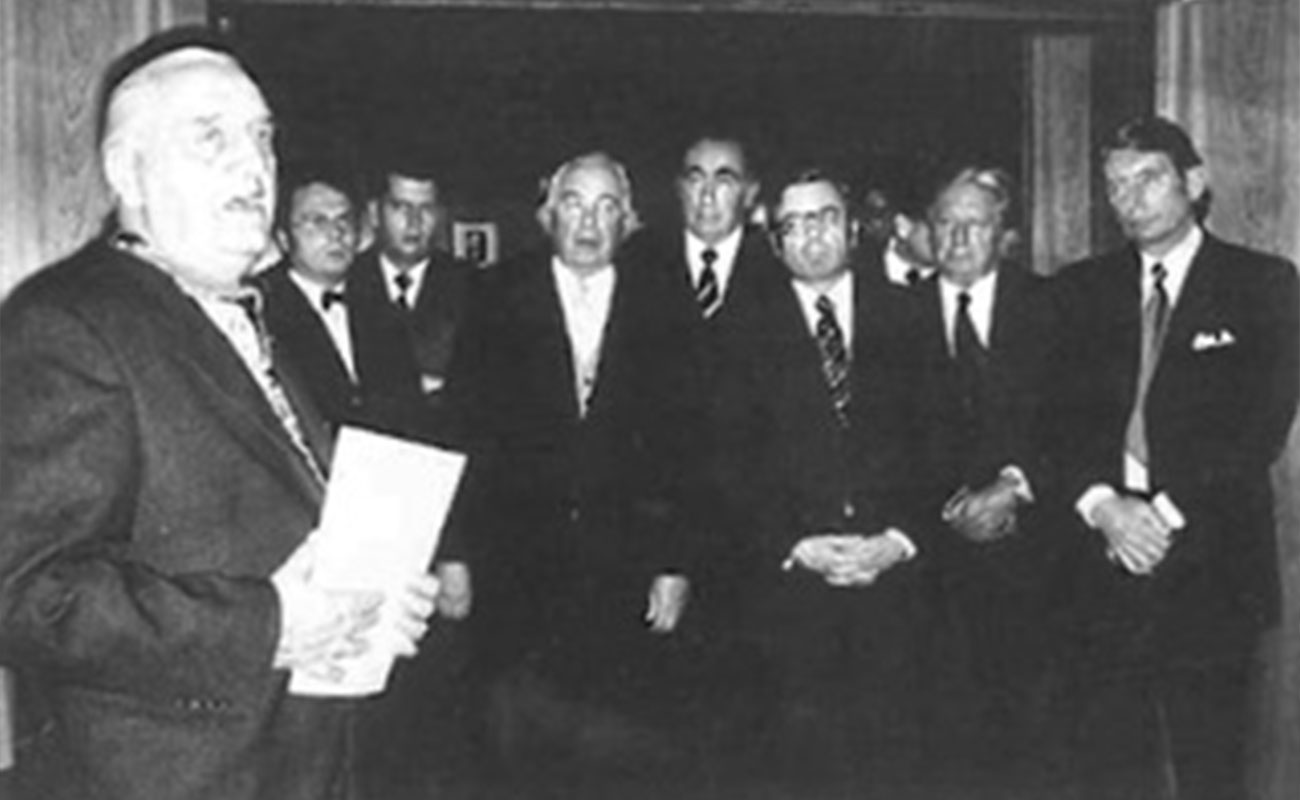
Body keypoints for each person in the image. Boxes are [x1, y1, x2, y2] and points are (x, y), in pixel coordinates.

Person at [0, 39, 438, 800]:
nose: (255, 166)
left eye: (262, 137)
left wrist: (368, 602)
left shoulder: (244, 312)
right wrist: (270, 625)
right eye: (211, 137)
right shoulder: (68, 322)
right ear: (125, 171)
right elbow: (23, 592)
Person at [1051, 116, 1299, 800]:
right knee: (1108, 768)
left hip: (1210, 564)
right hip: (1098, 561)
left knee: (1211, 767)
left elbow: (1259, 426)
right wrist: (1104, 508)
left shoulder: (1263, 284)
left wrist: (1156, 517)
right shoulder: (1077, 291)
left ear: (1193, 182)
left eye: (1148, 178)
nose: (1130, 198)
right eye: (1115, 185)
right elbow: (1052, 421)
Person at [442, 151, 701, 792]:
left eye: (607, 207)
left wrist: (674, 564)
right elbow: (462, 432)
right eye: (575, 204)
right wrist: (454, 555)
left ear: (629, 221)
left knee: (614, 756)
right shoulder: (496, 295)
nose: (589, 222)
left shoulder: (664, 304)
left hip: (622, 572)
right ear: (547, 214)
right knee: (512, 757)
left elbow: (684, 448)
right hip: (514, 570)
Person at [712, 167, 928, 797]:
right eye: (794, 225)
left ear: (853, 228)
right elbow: (725, 463)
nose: (812, 236)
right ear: (775, 243)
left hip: (901, 594)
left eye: (826, 218)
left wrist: (899, 540)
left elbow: (942, 444)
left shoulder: (914, 316)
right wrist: (795, 543)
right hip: (787, 599)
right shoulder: (735, 332)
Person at [911, 164, 1063, 796]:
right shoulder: (893, 314)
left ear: (1004, 233)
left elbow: (1079, 421)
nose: (958, 237)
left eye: (975, 224)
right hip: (929, 573)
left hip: (1034, 569)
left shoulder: (1052, 305)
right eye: (945, 223)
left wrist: (1012, 487)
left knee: (1029, 753)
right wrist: (948, 509)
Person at [256, 163, 427, 440]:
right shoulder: (261, 311)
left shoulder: (383, 311)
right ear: (283, 238)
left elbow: (411, 413)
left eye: (344, 220)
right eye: (317, 221)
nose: (336, 234)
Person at [349, 151, 474, 412]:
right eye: (400, 207)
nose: (414, 222)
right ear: (374, 214)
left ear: (440, 216)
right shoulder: (346, 282)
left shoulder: (474, 287)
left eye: (426, 209)